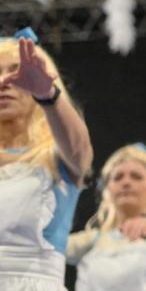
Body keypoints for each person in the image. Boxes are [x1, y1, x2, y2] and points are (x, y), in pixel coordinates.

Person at [0, 29, 93, 290]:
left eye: (15, 70)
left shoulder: (55, 158)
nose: (4, 80)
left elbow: (81, 151)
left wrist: (47, 94)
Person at [67, 143, 146, 290]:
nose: (126, 182)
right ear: (107, 191)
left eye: (136, 177)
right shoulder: (93, 241)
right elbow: (46, 247)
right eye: (117, 177)